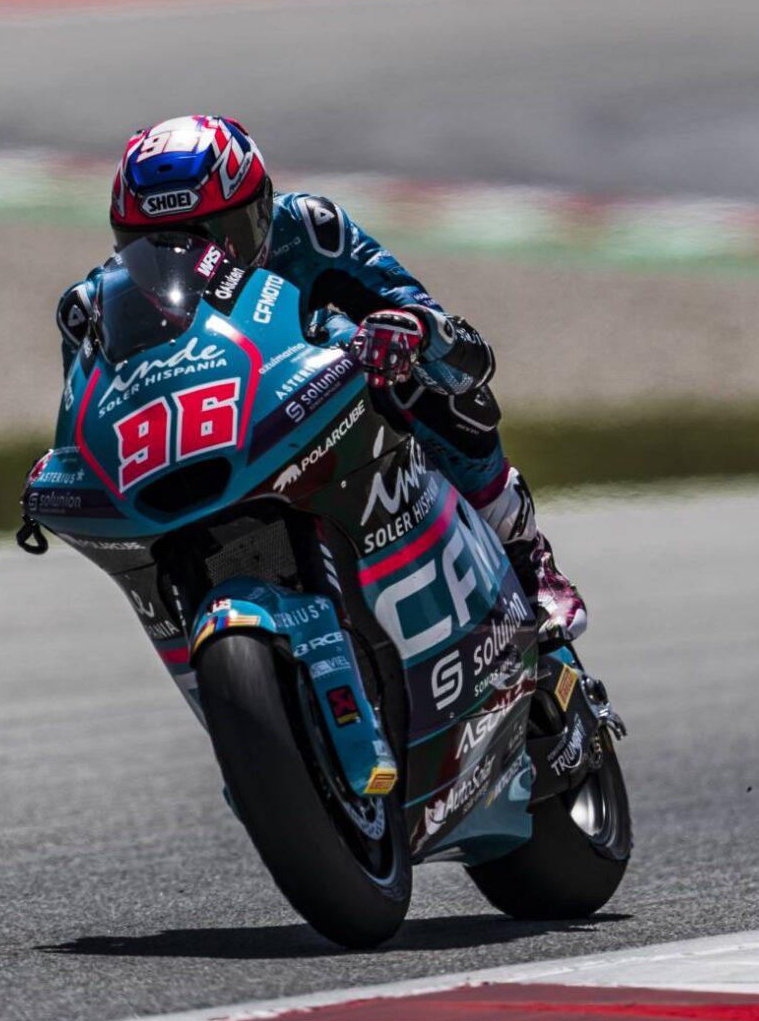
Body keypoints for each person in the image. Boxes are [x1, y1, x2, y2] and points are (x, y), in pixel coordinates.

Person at [57, 114, 588, 641]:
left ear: (261, 212)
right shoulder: (94, 310)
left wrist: (415, 331)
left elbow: (437, 330)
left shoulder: (312, 231)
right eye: (155, 246)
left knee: (420, 368)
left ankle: (525, 558)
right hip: (206, 449)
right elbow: (85, 428)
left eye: (216, 238)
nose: (194, 262)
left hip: (323, 415)